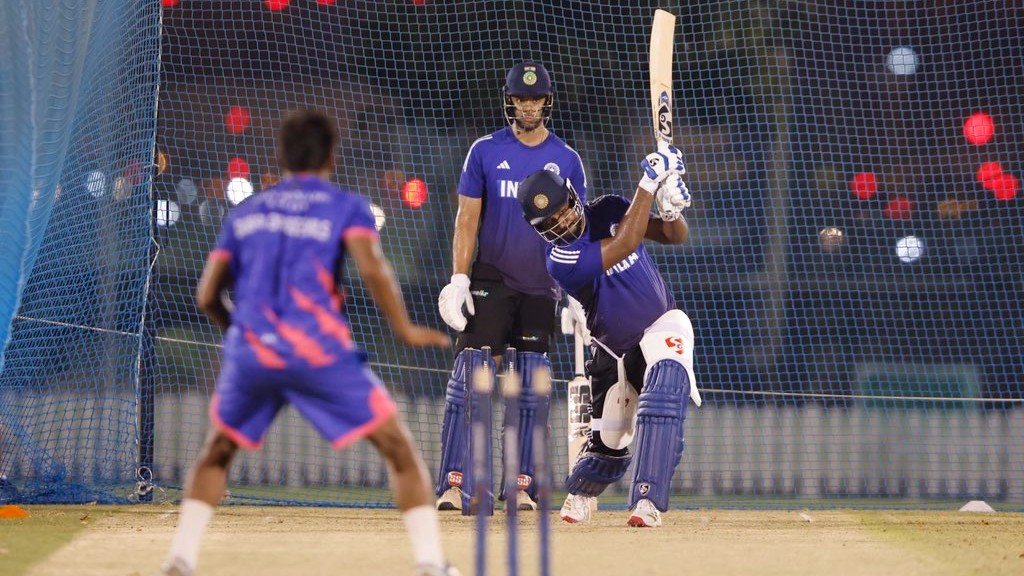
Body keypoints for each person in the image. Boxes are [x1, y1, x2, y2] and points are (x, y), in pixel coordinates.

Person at [159, 110, 460, 576]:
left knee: (217, 450)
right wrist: (404, 328)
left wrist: (239, 334)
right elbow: (374, 268)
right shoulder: (345, 206)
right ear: (332, 155)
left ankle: (179, 559)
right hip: (318, 351)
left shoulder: (247, 212)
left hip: (253, 350)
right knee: (399, 449)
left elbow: (206, 295)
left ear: (280, 156)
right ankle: (430, 565)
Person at [516, 145, 703, 528]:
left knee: (664, 399)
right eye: (552, 221)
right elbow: (624, 245)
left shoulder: (611, 208)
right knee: (609, 442)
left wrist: (671, 210)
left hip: (662, 322)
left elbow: (672, 236)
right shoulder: (559, 259)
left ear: (573, 195)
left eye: (566, 209)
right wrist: (650, 183)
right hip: (612, 347)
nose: (564, 222)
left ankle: (647, 502)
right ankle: (582, 494)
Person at [434, 61, 588, 512]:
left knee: (529, 388)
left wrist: (578, 291)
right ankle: (452, 482)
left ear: (547, 102)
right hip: (492, 280)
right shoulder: (483, 151)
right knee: (471, 380)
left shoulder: (567, 159)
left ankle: (520, 485)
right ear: (510, 102)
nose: (527, 105)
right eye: (520, 98)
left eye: (534, 98)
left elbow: (578, 230)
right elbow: (467, 218)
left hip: (542, 286)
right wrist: (460, 278)